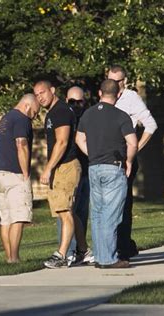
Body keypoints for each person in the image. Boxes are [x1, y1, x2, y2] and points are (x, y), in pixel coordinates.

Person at [75, 79, 137, 269]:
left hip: (94, 167)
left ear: (100, 94)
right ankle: (109, 258)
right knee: (111, 214)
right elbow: (132, 142)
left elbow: (79, 139)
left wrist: (92, 153)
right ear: (118, 95)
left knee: (98, 213)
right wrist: (129, 161)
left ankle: (101, 257)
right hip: (113, 166)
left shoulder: (88, 114)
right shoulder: (122, 116)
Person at [33, 80, 90, 269]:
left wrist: (48, 168)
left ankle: (62, 255)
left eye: (43, 92)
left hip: (66, 167)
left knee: (64, 212)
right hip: (62, 167)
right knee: (69, 212)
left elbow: (63, 142)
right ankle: (83, 250)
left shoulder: (61, 111)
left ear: (52, 90)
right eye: (37, 94)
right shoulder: (53, 112)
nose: (40, 97)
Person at [107, 65, 158, 261]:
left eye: (118, 81)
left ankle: (123, 247)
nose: (114, 84)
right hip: (106, 158)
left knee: (123, 203)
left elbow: (151, 125)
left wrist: (134, 149)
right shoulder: (106, 97)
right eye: (110, 80)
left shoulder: (131, 98)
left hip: (125, 158)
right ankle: (117, 245)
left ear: (124, 81)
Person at [0, 93, 40, 263]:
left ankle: (8, 258)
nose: (35, 117)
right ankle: (14, 258)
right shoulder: (21, 119)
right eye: (35, 112)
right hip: (14, 173)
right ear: (27, 106)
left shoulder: (6, 118)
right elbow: (21, 144)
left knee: (6, 219)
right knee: (18, 217)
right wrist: (26, 173)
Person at [55, 86, 93, 266]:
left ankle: (80, 250)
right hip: (70, 170)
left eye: (80, 102)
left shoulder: (88, 118)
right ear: (66, 100)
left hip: (86, 172)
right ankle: (67, 251)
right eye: (72, 102)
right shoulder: (64, 117)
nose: (77, 105)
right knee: (66, 211)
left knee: (81, 214)